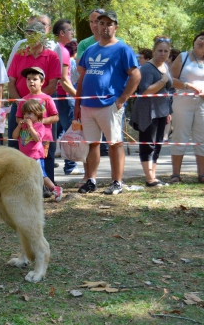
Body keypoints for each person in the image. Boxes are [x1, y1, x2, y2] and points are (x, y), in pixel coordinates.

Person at [74, 10, 141, 195]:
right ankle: (91, 180)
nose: (104, 27)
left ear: (115, 27)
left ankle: (117, 182)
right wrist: (77, 105)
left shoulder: (123, 49)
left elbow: (136, 75)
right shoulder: (90, 49)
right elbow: (81, 78)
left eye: (109, 24)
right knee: (92, 143)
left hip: (110, 103)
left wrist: (122, 99)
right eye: (101, 23)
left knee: (114, 143)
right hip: (88, 106)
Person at [7, 21, 60, 185]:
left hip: (43, 110)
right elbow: (11, 82)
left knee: (46, 150)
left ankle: (48, 186)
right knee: (16, 146)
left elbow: (53, 83)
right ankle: (18, 185)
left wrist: (36, 102)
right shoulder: (19, 55)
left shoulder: (52, 56)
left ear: (43, 36)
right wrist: (21, 103)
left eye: (34, 34)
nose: (30, 37)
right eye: (28, 33)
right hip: (20, 108)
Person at [129, 36, 173, 187]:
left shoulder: (165, 66)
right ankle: (149, 178)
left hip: (162, 110)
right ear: (154, 51)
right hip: (147, 111)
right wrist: (162, 80)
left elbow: (168, 90)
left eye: (166, 51)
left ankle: (153, 177)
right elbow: (145, 91)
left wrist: (169, 111)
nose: (163, 53)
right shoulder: (147, 68)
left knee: (158, 144)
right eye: (160, 50)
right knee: (148, 144)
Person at [169, 31, 204, 183]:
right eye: (201, 38)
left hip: (202, 104)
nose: (202, 42)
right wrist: (187, 85)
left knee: (201, 138)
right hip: (183, 102)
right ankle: (175, 174)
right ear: (195, 40)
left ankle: (202, 174)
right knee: (180, 136)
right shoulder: (183, 57)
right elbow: (170, 80)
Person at [13, 98, 63, 201]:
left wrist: (31, 127)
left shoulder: (39, 126)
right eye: (25, 113)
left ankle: (55, 188)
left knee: (41, 175)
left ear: (38, 115)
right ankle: (28, 194)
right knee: (26, 175)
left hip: (35, 156)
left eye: (30, 113)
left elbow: (37, 138)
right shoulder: (23, 127)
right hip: (24, 156)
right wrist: (18, 127)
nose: (27, 116)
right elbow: (14, 136)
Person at [52, 19, 83, 176]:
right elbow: (64, 80)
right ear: (62, 33)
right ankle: (70, 166)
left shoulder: (57, 49)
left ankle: (68, 164)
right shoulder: (63, 51)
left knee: (62, 131)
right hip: (64, 97)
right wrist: (78, 97)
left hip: (58, 96)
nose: (73, 33)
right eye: (70, 30)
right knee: (71, 131)